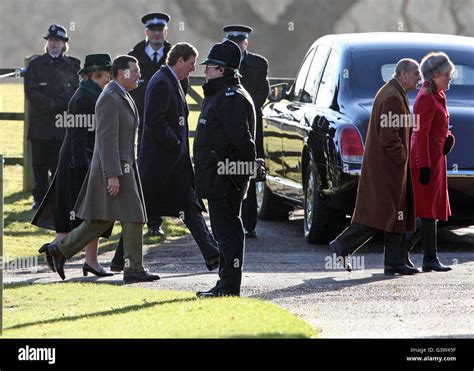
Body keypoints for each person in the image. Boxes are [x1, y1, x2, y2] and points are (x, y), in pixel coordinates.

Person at [43, 55, 160, 284]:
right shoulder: (109, 97)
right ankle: (133, 268)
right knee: (134, 215)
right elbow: (106, 140)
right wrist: (113, 175)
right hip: (115, 169)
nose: (139, 75)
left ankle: (59, 250)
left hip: (123, 167)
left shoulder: (122, 95)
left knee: (101, 219)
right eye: (134, 71)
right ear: (120, 73)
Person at [329, 59, 421, 276]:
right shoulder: (392, 97)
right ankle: (342, 245)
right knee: (381, 215)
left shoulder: (393, 92)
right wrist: (402, 158)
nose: (419, 79)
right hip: (389, 168)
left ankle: (395, 262)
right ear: (403, 74)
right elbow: (389, 136)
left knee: (397, 213)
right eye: (416, 74)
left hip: (391, 167)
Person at [33, 54, 114, 277]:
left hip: (86, 160)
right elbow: (78, 138)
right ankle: (56, 250)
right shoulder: (84, 98)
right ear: (97, 74)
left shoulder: (94, 94)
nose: (110, 77)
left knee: (90, 214)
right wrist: (84, 167)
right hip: (77, 162)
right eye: (107, 73)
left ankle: (91, 261)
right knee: (78, 215)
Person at [194, 40, 256, 297]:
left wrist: (238, 172)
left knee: (228, 230)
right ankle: (224, 282)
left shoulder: (231, 96)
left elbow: (241, 140)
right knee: (223, 229)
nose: (205, 71)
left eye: (210, 67)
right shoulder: (220, 93)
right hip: (218, 175)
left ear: (222, 70)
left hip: (226, 177)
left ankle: (229, 285)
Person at [126, 12, 188, 237]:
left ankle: (157, 219)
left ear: (166, 31)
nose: (156, 33)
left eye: (160, 29)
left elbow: (183, 87)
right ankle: (138, 217)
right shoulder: (133, 57)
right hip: (138, 123)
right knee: (140, 170)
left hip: (164, 124)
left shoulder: (176, 55)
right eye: (152, 30)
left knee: (164, 170)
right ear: (146, 32)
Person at [24, 24, 80, 209]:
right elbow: (31, 90)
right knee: (39, 164)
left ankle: (57, 197)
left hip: (62, 123)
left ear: (64, 44)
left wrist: (58, 104)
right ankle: (39, 199)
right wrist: (49, 104)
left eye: (57, 41)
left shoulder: (73, 64)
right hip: (41, 123)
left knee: (60, 163)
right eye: (51, 40)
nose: (53, 44)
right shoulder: (35, 64)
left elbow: (73, 89)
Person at [409, 52, 455, 272]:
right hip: (426, 160)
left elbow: (436, 128)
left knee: (431, 210)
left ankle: (429, 258)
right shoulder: (426, 98)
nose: (449, 79)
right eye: (446, 75)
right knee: (426, 210)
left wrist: (447, 139)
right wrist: (424, 165)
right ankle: (413, 255)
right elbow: (420, 134)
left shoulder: (437, 95)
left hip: (436, 159)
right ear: (434, 75)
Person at [223, 25, 270, 238]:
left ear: (246, 43)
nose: (237, 45)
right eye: (232, 42)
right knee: (226, 169)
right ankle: (227, 219)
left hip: (251, 125)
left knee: (249, 170)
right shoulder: (221, 62)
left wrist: (243, 110)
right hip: (225, 124)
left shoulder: (258, 64)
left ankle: (249, 223)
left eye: (240, 42)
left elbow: (262, 92)